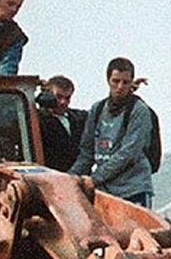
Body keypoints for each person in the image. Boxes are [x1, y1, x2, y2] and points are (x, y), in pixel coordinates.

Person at [69, 57, 156, 207]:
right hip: (104, 191)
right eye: (116, 81)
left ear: (131, 82)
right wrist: (68, 179)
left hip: (132, 190)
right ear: (108, 80)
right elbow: (87, 152)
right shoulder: (97, 109)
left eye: (125, 82)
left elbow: (128, 154)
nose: (120, 87)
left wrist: (94, 179)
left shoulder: (139, 111)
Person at [36, 78, 81, 171]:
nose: (63, 102)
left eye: (67, 98)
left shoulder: (79, 118)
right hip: (50, 176)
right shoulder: (37, 120)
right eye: (59, 97)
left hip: (77, 176)